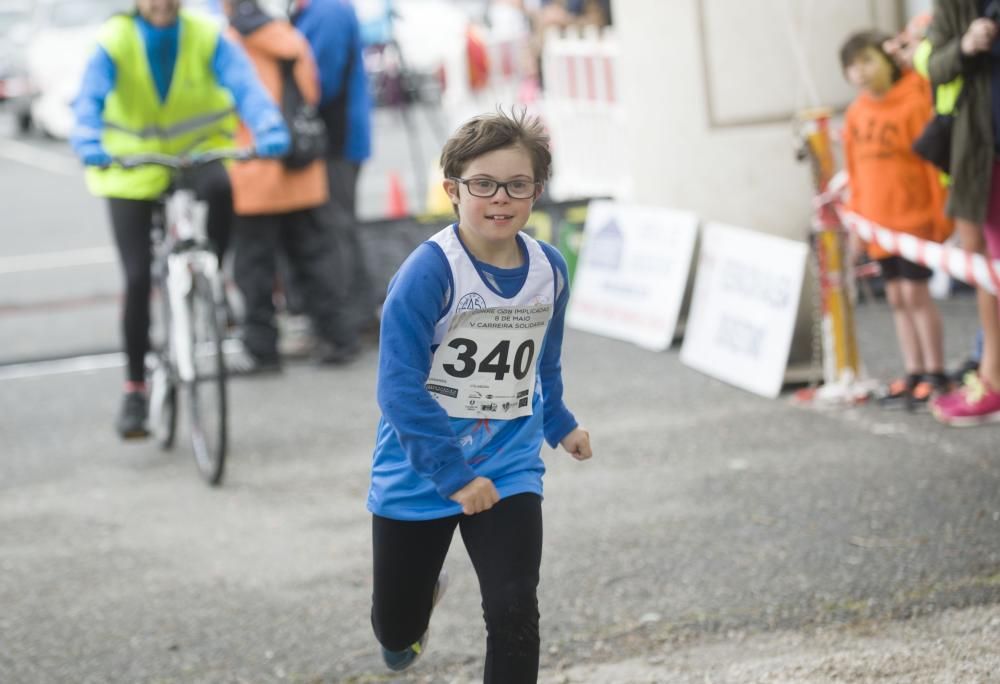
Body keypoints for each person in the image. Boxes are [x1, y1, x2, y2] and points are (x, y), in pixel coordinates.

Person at [368, 109, 592, 682]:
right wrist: (454, 475)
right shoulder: (428, 273)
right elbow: (397, 389)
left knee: (515, 607)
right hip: (420, 468)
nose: (501, 199)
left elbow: (544, 356)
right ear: (453, 190)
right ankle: (412, 618)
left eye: (517, 185)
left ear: (537, 191)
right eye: (483, 185)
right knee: (395, 627)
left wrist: (559, 422)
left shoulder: (550, 269)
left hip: (509, 462)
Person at [70, 0, 290, 438]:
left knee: (223, 189)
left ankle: (213, 274)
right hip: (130, 166)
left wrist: (269, 126)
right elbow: (88, 101)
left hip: (196, 154)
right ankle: (135, 388)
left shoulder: (205, 34)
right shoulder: (115, 40)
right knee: (136, 278)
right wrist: (87, 137)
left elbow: (246, 86)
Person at [222, 0, 358, 370]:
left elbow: (225, 102)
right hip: (301, 165)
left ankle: (262, 351)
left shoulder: (229, 43)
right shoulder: (289, 36)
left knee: (255, 267)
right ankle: (337, 337)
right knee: (314, 258)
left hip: (254, 166)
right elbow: (311, 91)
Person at [840, 30, 952, 408]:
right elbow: (854, 172)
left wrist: (941, 220)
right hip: (878, 224)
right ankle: (913, 370)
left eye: (867, 60)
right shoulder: (856, 113)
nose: (860, 72)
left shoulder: (914, 100)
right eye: (852, 66)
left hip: (915, 220)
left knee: (916, 295)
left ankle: (935, 371)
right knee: (897, 298)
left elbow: (931, 166)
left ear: (889, 60)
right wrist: (857, 225)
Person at [927, 0, 1000, 425]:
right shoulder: (954, 5)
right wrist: (966, 45)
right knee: (988, 267)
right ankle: (991, 374)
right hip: (984, 154)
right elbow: (934, 66)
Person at [291, 0, 375, 339]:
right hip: (338, 137)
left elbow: (319, 81)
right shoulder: (318, 9)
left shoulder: (326, 11)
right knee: (338, 226)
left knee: (334, 227)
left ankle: (351, 318)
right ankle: (357, 315)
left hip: (336, 140)